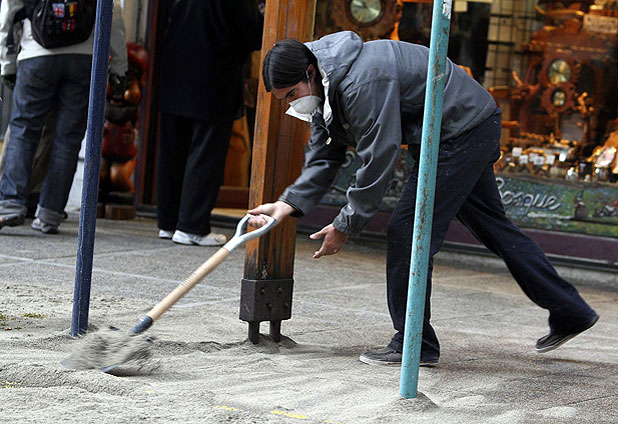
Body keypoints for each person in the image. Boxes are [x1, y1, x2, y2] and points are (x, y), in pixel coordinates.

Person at [248, 31, 599, 367]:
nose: (291, 105)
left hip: (459, 131)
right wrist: (287, 204)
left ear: (309, 72)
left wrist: (346, 224)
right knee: (495, 229)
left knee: (407, 231)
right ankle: (571, 311)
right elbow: (325, 155)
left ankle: (414, 344)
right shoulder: (328, 82)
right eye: (284, 101)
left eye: (292, 95)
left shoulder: (359, 83)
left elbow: (379, 157)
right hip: (461, 126)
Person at [0, 0, 128, 234]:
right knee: (68, 139)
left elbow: (9, 11)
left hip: (36, 53)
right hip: (84, 56)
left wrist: (6, 65)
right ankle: (49, 214)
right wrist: (120, 67)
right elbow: (113, 14)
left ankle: (10, 203)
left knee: (24, 130)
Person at [156, 0, 264, 246]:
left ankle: (168, 222)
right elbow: (251, 34)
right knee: (206, 154)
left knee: (173, 152)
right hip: (213, 78)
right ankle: (191, 227)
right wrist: (261, 15)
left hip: (175, 74)